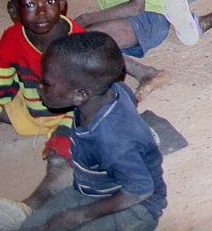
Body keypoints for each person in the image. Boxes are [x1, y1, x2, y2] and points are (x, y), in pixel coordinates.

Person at [0, 0, 82, 231]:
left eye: (51, 1)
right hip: (28, 108)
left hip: (69, 115)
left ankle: (29, 206)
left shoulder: (76, 41)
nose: (42, 11)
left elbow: (84, 100)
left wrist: (64, 134)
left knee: (61, 159)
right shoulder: (11, 38)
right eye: (30, 4)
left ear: (63, 4)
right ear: (13, 12)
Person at [22, 32, 166, 231]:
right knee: (30, 227)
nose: (38, 84)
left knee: (63, 223)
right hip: (91, 190)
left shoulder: (112, 142)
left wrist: (78, 216)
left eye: (46, 82)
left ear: (80, 95)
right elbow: (130, 101)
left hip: (137, 209)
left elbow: (140, 190)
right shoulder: (112, 90)